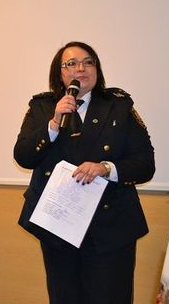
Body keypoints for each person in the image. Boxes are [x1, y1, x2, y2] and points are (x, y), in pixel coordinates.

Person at [14, 41, 155, 304]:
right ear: (59, 73)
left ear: (97, 69)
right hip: (58, 226)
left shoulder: (119, 105)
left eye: (88, 62)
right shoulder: (42, 107)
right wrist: (53, 124)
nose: (80, 68)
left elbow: (145, 164)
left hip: (110, 227)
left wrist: (106, 168)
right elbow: (23, 157)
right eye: (71, 64)